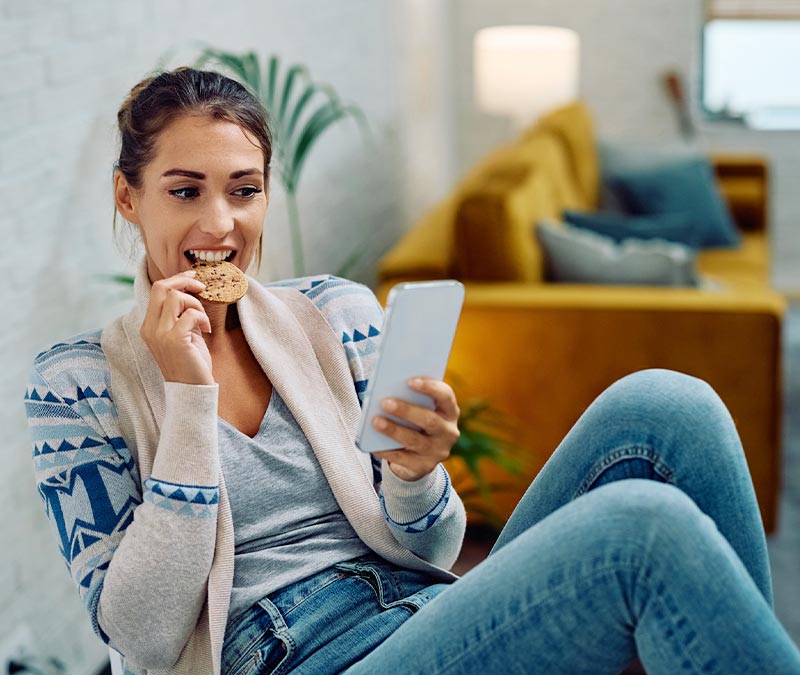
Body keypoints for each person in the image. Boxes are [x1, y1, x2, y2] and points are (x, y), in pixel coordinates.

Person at [24, 67, 800, 675]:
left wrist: (415, 474)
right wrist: (189, 399)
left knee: (671, 405)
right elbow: (145, 637)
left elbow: (432, 548)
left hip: (423, 619)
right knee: (642, 531)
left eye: (245, 189)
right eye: (185, 190)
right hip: (292, 657)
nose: (220, 224)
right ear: (129, 197)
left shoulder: (335, 312)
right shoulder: (76, 383)